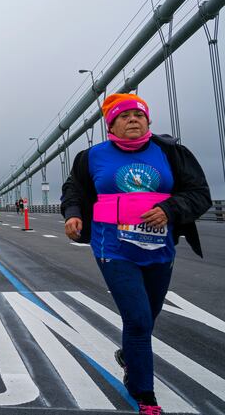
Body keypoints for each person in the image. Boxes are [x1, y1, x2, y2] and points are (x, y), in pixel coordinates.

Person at [61, 93, 211, 414]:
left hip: (159, 247)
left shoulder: (171, 153)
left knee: (148, 315)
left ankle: (130, 356)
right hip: (113, 247)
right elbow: (73, 188)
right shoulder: (92, 157)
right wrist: (73, 213)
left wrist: (171, 208)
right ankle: (145, 395)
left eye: (138, 115)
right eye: (124, 115)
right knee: (139, 318)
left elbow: (199, 193)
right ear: (110, 124)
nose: (133, 119)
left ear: (148, 121)